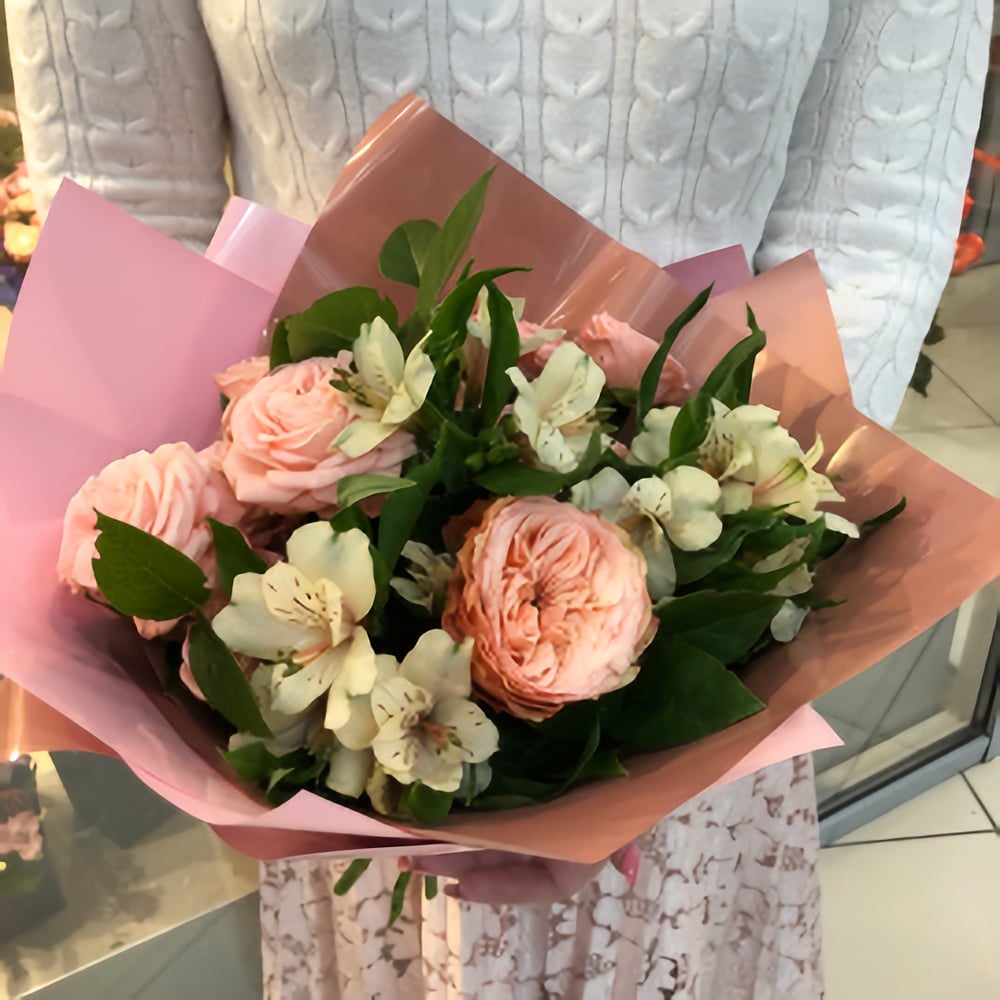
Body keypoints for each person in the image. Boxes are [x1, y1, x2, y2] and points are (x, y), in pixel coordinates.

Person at [7, 1, 990, 997]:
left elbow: (875, 216)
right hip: (341, 685)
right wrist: (205, 606)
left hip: (693, 648)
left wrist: (739, 570)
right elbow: (126, 200)